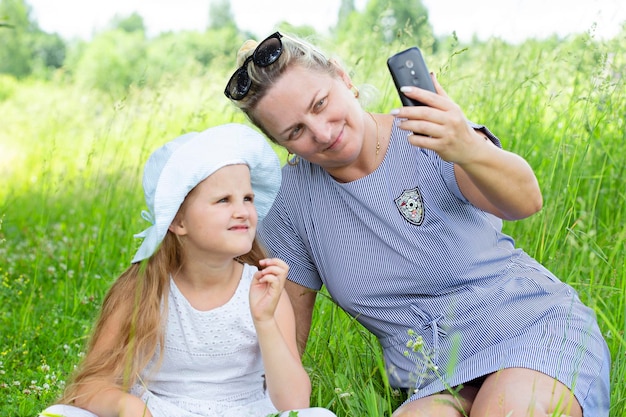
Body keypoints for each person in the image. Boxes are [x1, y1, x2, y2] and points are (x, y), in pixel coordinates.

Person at [224, 32, 611, 417]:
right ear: (280, 143)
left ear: (343, 78)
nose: (322, 133)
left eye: (321, 103)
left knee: (503, 411)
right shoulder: (290, 201)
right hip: (429, 376)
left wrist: (467, 146)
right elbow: (288, 337)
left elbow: (526, 201)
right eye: (295, 131)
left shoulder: (428, 131)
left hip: (528, 328)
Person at [39, 124, 337, 417]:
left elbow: (295, 402)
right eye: (223, 200)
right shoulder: (143, 290)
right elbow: (89, 385)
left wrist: (265, 320)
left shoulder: (261, 291)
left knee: (319, 415)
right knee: (60, 413)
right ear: (178, 221)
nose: (242, 211)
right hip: (159, 411)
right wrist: (127, 406)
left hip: (245, 410)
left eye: (248, 198)